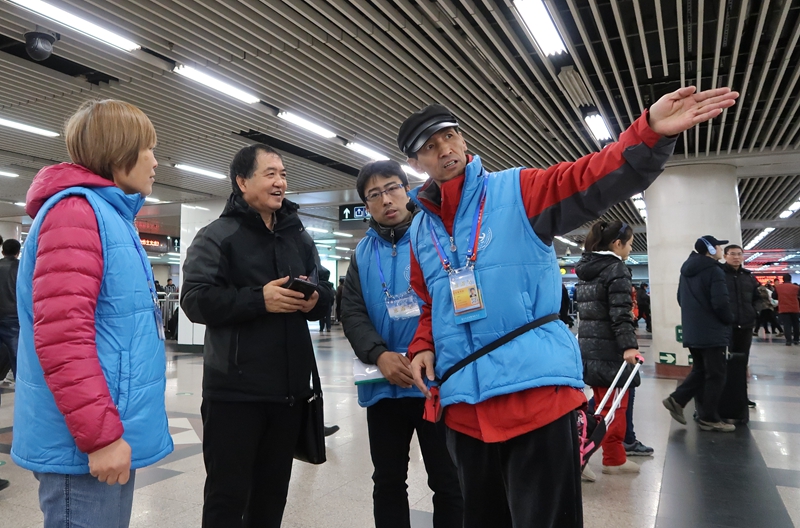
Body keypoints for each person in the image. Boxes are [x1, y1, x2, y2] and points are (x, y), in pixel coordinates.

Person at [403, 86, 738, 526]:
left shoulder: (517, 191)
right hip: (464, 405)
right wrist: (423, 345)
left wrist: (650, 133)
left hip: (536, 396)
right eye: (430, 146)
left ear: (463, 138)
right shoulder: (420, 231)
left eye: (450, 136)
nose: (445, 149)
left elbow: (588, 180)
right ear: (416, 163)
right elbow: (429, 302)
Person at [12, 99, 173, 527]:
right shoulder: (75, 213)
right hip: (84, 442)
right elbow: (63, 337)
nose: (156, 161)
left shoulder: (108, 215)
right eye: (149, 149)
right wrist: (100, 437)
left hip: (103, 427)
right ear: (119, 152)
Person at [181, 143, 334, 528]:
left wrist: (315, 300)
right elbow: (194, 300)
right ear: (242, 181)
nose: (280, 182)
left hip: (288, 394)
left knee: (271, 496)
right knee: (227, 497)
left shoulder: (298, 236)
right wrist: (258, 299)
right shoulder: (217, 235)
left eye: (283, 174)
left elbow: (326, 290)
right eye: (270, 174)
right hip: (234, 395)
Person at [341, 160, 463, 528]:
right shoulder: (362, 253)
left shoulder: (436, 238)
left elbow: (453, 302)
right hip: (383, 385)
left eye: (392, 188)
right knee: (388, 480)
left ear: (407, 189)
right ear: (366, 204)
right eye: (374, 194)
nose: (386, 199)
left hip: (434, 383)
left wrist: (429, 351)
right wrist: (379, 355)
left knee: (448, 480)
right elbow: (352, 311)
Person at [575, 220, 642, 475]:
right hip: (610, 349)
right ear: (617, 244)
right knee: (612, 408)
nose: (630, 249)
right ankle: (580, 456)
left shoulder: (587, 269)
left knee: (608, 405)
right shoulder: (616, 269)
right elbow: (620, 312)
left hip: (590, 346)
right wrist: (628, 346)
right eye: (629, 244)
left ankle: (614, 457)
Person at [663, 236, 735, 432]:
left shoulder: (686, 271)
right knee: (716, 375)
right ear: (710, 249)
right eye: (718, 246)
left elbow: (680, 298)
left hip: (693, 330)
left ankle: (677, 400)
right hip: (712, 332)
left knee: (701, 370)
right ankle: (709, 418)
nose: (721, 250)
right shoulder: (714, 270)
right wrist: (729, 319)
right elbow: (720, 302)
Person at [722, 245, 759, 411]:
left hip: (746, 325)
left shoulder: (748, 276)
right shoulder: (719, 274)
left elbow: (757, 298)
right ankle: (723, 397)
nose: (736, 257)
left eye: (739, 254)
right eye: (732, 254)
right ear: (725, 256)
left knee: (742, 362)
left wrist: (754, 312)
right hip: (726, 326)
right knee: (724, 363)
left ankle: (741, 397)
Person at [0, 238, 20, 379]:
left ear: (2, 252)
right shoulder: (22, 268)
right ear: (18, 252)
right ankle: (19, 384)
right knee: (16, 356)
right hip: (13, 317)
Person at [773, 274, 800, 346]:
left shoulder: (778, 288)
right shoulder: (796, 287)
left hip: (783, 308)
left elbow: (774, 296)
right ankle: (796, 339)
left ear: (783, 279)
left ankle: (788, 341)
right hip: (795, 308)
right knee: (796, 324)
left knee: (786, 325)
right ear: (790, 279)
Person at [319, 268, 333, 332]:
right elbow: (332, 296)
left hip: (321, 303)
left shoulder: (319, 284)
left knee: (321, 316)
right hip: (328, 303)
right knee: (328, 316)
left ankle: (321, 328)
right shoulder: (329, 286)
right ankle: (328, 327)